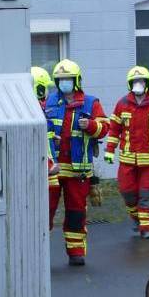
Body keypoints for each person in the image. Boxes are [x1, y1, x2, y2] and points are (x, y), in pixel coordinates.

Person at [45, 59, 109, 266]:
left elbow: (105, 127)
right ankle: (37, 251)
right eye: (60, 79)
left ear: (76, 81)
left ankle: (76, 252)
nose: (64, 83)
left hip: (78, 170)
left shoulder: (91, 103)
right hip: (53, 169)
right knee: (45, 210)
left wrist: (90, 125)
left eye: (68, 79)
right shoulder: (50, 102)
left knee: (76, 212)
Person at [104, 66, 149, 239]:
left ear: (148, 83)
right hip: (127, 160)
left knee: (146, 193)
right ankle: (137, 219)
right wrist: (110, 151)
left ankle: (147, 227)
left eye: (141, 81)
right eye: (135, 82)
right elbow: (114, 129)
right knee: (127, 193)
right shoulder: (122, 104)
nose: (138, 84)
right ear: (130, 84)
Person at [31, 66, 61, 230]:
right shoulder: (34, 113)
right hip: (44, 171)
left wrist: (53, 138)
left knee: (49, 209)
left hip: (50, 170)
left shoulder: (40, 110)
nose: (47, 93)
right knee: (42, 215)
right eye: (45, 88)